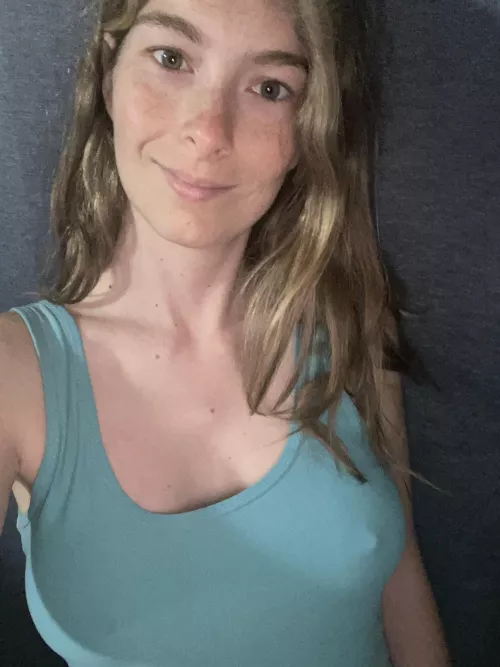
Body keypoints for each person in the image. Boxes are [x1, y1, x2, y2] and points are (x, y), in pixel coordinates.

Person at [0, 0, 450, 665]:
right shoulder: (16, 375)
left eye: (269, 88)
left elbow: (398, 575)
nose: (209, 131)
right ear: (108, 77)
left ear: (307, 129)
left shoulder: (350, 318)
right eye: (172, 58)